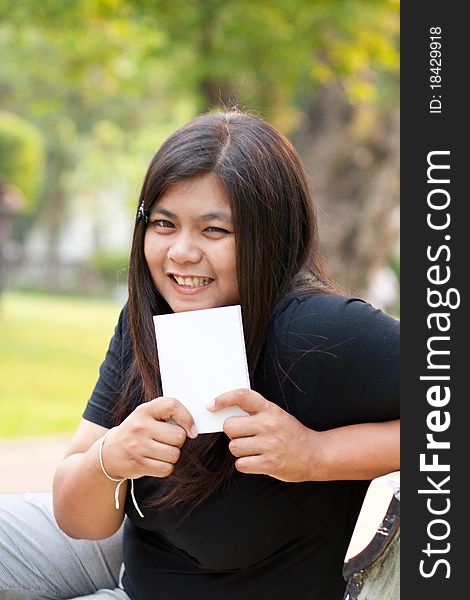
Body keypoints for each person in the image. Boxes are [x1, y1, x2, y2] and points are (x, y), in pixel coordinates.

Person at [0, 109, 399, 600]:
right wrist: (114, 458)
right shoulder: (148, 315)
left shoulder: (317, 330)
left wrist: (316, 455)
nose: (181, 254)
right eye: (164, 224)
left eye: (214, 231)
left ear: (270, 234)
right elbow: (77, 515)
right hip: (134, 552)